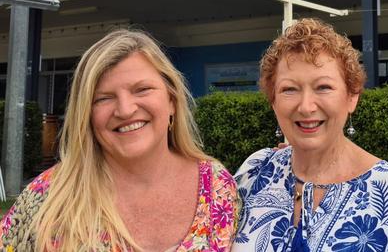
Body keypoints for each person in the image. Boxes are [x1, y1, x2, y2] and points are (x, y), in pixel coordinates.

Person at [1, 29, 239, 251]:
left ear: (172, 101)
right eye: (103, 98)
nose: (125, 110)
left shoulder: (218, 187)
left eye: (142, 89)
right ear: (86, 115)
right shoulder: (48, 197)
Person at [233, 18, 388, 252]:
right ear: (273, 100)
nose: (306, 106)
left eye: (323, 87)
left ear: (352, 97)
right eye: (289, 89)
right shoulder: (255, 172)